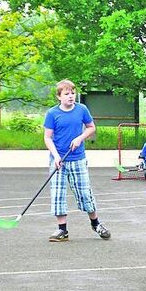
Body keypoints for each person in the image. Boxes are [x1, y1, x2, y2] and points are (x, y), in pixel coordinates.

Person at [43, 79, 111, 242]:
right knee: (58, 195)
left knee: (85, 193)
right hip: (59, 160)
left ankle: (96, 224)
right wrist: (56, 156)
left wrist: (80, 138)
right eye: (67, 94)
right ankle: (62, 230)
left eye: (73, 93)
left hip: (78, 159)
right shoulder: (52, 114)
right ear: (59, 96)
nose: (71, 96)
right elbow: (47, 137)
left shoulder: (82, 109)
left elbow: (91, 127)